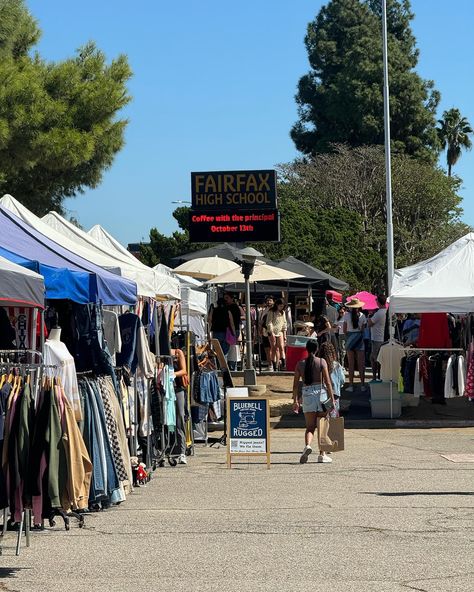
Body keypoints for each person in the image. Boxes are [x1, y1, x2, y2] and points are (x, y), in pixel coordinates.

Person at [292, 339, 336, 464]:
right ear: (316, 349)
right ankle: (322, 454)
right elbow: (327, 382)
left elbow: (295, 385)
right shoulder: (322, 362)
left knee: (310, 427)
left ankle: (308, 446)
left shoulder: (300, 364)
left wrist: (295, 400)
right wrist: (332, 399)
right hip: (321, 393)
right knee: (322, 424)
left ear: (306, 349)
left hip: (307, 394)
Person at [343, 298, 367, 392]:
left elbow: (344, 330)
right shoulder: (362, 316)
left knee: (351, 363)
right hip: (359, 339)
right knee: (361, 364)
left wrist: (350, 336)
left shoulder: (346, 315)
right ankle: (362, 385)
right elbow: (362, 329)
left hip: (349, 338)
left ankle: (351, 385)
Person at [171, 347, 189, 465]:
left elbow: (184, 370)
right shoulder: (157, 352)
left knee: (179, 418)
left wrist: (172, 374)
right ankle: (169, 448)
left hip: (178, 389)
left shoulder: (178, 352)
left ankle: (182, 451)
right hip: (163, 389)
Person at [320, 341, 345, 417]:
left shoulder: (320, 364)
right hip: (335, 393)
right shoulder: (337, 365)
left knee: (324, 418)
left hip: (324, 394)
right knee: (334, 417)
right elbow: (342, 380)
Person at [367, 294, 387, 382]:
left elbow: (369, 324)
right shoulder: (387, 311)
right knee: (379, 358)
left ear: (378, 302)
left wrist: (369, 317)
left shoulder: (378, 313)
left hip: (377, 339)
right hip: (383, 338)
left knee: (375, 358)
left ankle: (376, 377)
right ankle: (380, 376)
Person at [266, 298, 287, 371]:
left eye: (282, 306)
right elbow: (269, 322)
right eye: (280, 306)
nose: (281, 307)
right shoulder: (271, 311)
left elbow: (284, 323)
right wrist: (271, 333)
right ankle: (274, 365)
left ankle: (283, 364)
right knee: (274, 348)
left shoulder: (283, 312)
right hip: (272, 332)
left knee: (281, 347)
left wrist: (284, 335)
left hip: (280, 331)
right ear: (277, 305)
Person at [259, 296, 274, 368]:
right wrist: (260, 330)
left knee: (273, 348)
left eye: (270, 300)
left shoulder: (275, 311)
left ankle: (274, 364)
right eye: (267, 301)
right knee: (267, 349)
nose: (268, 302)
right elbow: (261, 322)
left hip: (272, 332)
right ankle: (270, 364)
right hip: (264, 332)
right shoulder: (263, 311)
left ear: (273, 301)